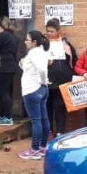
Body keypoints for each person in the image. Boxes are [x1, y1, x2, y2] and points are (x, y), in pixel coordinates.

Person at [18, 31, 51, 160]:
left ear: (34, 42)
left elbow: (42, 69)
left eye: (27, 39)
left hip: (32, 89)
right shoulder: (42, 51)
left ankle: (34, 150)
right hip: (42, 89)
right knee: (44, 119)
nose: (25, 41)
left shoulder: (33, 53)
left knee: (36, 121)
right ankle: (43, 147)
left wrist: (42, 80)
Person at [44, 18, 77, 137]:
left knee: (60, 106)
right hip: (46, 80)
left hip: (62, 81)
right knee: (47, 106)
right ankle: (47, 131)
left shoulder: (66, 45)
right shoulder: (42, 45)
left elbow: (74, 61)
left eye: (52, 31)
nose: (49, 33)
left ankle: (60, 132)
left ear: (58, 31)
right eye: (47, 31)